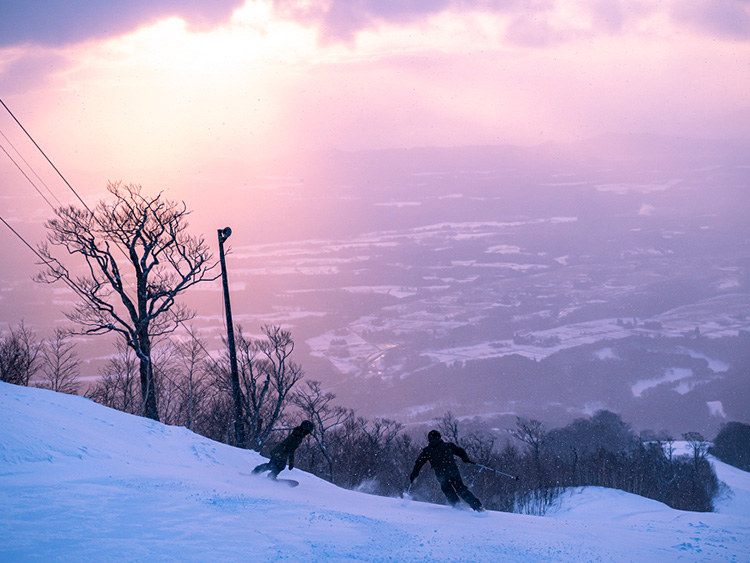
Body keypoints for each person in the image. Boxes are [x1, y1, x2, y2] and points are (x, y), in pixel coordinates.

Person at [409, 429, 484, 512]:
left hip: (441, 475)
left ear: (430, 439)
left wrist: (414, 474)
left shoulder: (427, 451)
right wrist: (465, 458)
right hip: (453, 472)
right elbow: (460, 451)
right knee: (461, 489)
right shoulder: (448, 445)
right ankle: (478, 507)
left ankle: (457, 507)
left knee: (448, 490)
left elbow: (418, 463)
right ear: (439, 437)